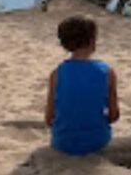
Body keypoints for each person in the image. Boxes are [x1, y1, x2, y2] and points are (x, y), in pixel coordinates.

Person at [45, 15, 120, 155]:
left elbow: (49, 119)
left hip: (62, 142)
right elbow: (113, 116)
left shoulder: (56, 74)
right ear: (92, 41)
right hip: (97, 141)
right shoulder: (107, 72)